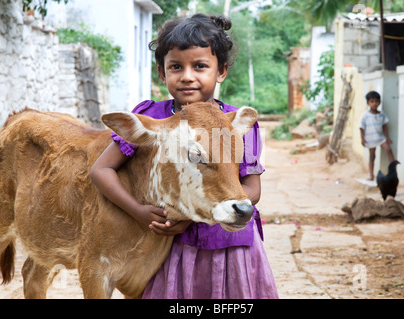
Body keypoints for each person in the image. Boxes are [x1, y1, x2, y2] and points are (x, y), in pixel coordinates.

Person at [90, 13, 278, 299]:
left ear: (221, 71)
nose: (187, 76)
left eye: (200, 66)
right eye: (176, 66)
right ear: (162, 73)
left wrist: (191, 215)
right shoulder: (151, 119)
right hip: (167, 249)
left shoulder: (236, 123)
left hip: (229, 244)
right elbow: (101, 170)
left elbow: (251, 189)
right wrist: (138, 211)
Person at [359, 91, 395, 181]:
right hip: (370, 139)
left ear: (379, 102)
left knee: (388, 149)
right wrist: (362, 139)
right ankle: (371, 175)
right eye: (372, 101)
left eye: (376, 101)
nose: (374, 103)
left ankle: (394, 170)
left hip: (380, 138)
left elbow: (384, 126)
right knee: (372, 156)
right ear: (368, 103)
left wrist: (387, 137)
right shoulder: (365, 115)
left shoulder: (382, 115)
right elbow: (361, 128)